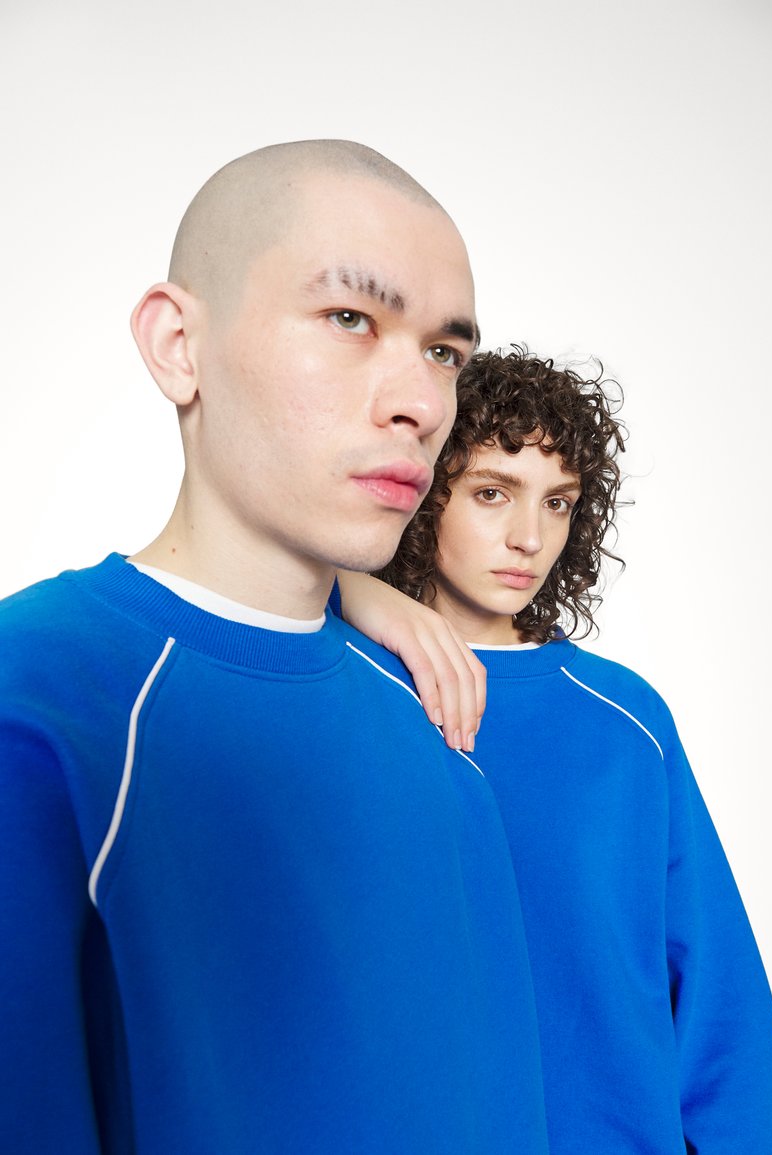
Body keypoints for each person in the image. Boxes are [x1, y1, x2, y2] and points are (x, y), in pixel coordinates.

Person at [0, 144, 550, 1153]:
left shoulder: (432, 709)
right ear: (178, 345)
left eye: (444, 352)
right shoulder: (38, 697)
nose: (423, 404)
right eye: (350, 319)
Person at [339, 346, 772, 1152]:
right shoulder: (344, 684)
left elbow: (719, 1001)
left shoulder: (625, 720)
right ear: (423, 487)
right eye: (492, 492)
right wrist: (351, 585)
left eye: (557, 502)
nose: (528, 536)